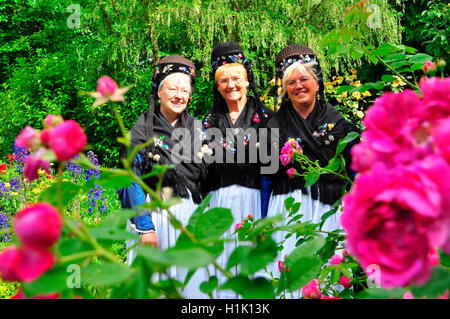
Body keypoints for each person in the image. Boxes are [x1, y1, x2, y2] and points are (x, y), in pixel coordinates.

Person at [118, 55, 209, 298]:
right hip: (154, 219)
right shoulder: (140, 132)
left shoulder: (198, 130)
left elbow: (207, 179)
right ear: (159, 92)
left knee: (190, 287)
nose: (179, 95)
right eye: (173, 89)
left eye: (185, 90)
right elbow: (130, 180)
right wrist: (146, 229)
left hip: (189, 217)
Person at [266, 45, 353, 292]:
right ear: (285, 89)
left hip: (330, 206)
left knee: (329, 276)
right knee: (290, 277)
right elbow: (267, 177)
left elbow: (354, 169)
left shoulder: (337, 122)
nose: (298, 86)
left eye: (304, 79)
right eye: (291, 82)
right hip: (288, 207)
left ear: (316, 82)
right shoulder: (274, 124)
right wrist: (264, 218)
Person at [202, 41, 274, 298]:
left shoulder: (267, 117)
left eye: (236, 78)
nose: (230, 85)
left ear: (247, 80)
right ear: (217, 85)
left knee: (255, 268)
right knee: (223, 268)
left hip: (255, 201)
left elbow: (272, 168)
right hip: (218, 203)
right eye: (223, 81)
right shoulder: (208, 122)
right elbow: (203, 172)